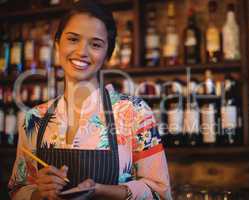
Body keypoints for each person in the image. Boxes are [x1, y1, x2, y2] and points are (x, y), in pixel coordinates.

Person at [8, 0, 172, 199]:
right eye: (73, 39)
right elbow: (17, 189)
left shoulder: (135, 112)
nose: (82, 52)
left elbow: (160, 193)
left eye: (95, 44)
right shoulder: (33, 119)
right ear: (57, 44)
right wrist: (38, 193)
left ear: (107, 54)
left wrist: (102, 191)